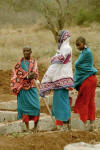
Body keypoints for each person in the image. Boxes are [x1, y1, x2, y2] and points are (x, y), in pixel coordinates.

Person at [40, 30, 74, 130]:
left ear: (64, 37)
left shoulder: (66, 48)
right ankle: (65, 125)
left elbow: (57, 63)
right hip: (60, 80)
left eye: (60, 35)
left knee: (62, 103)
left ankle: (65, 125)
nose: (58, 37)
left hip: (62, 79)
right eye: (58, 35)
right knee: (60, 103)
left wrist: (46, 79)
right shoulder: (61, 49)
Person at [11, 46, 40, 132]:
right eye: (24, 51)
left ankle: (35, 127)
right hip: (22, 88)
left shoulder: (34, 62)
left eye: (28, 51)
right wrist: (26, 76)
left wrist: (33, 76)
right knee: (24, 109)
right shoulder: (18, 64)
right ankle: (27, 128)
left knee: (36, 107)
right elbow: (16, 75)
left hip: (32, 87)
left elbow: (36, 73)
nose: (26, 52)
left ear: (31, 52)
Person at [74, 36, 97, 131]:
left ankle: (86, 124)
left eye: (79, 45)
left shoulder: (87, 53)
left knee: (83, 101)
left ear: (84, 43)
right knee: (90, 102)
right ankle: (91, 124)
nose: (78, 47)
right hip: (91, 79)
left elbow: (77, 64)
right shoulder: (85, 52)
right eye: (77, 46)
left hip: (87, 80)